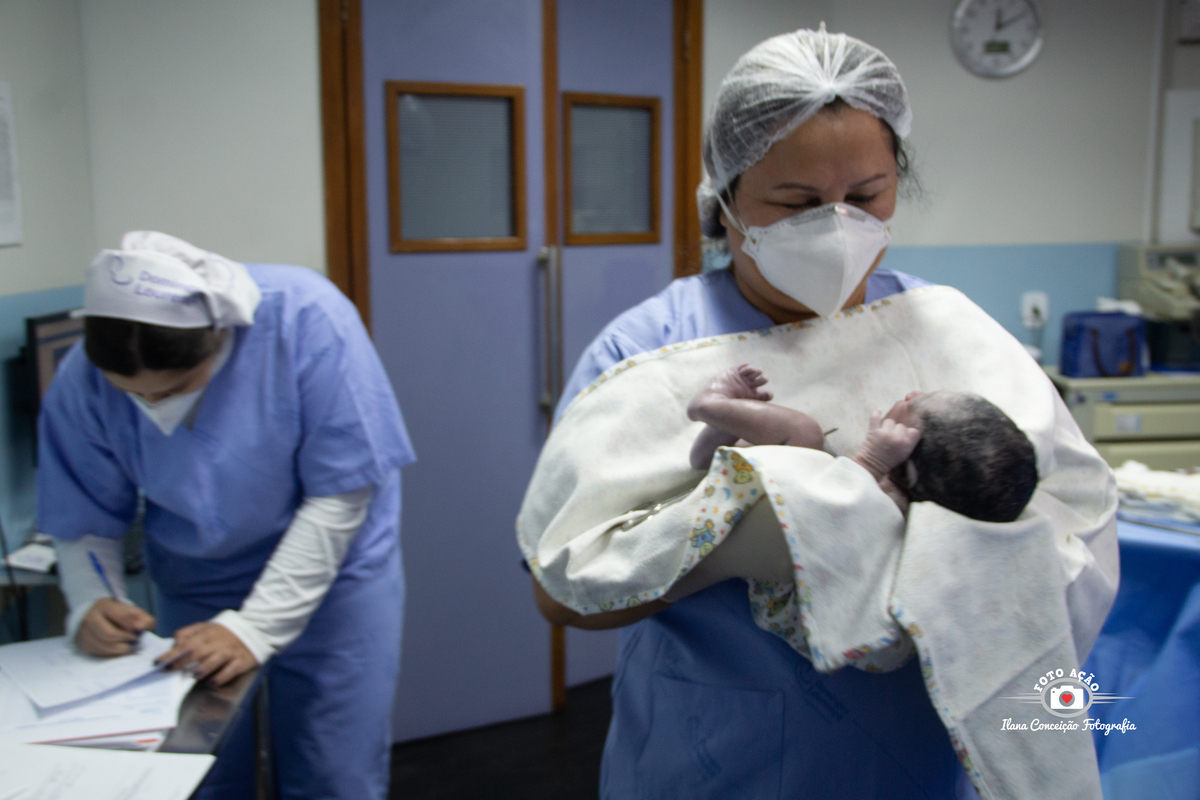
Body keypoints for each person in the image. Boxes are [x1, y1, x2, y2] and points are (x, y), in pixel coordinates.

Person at [529, 26, 1117, 799]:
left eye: (866, 196)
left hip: (924, 754)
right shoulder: (652, 350)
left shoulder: (948, 327)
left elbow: (1070, 516)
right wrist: (729, 543)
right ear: (728, 196)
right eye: (798, 202)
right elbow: (561, 589)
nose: (837, 225)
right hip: (717, 753)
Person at [38, 231, 413, 800]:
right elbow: (84, 510)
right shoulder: (83, 379)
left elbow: (340, 494)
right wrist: (93, 598)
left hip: (335, 583)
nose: (155, 409)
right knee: (199, 771)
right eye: (133, 396)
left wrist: (258, 627)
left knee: (332, 775)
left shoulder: (304, 319)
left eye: (177, 390)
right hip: (197, 579)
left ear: (219, 336)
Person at [687, 365, 1039, 522]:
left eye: (915, 404)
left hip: (760, 514)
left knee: (807, 435)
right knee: (803, 450)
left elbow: (836, 511)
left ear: (906, 466)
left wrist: (871, 460)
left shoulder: (893, 502)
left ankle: (712, 406)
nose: (910, 394)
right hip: (735, 488)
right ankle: (719, 435)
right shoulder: (909, 491)